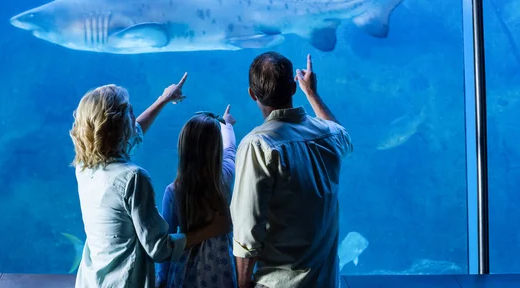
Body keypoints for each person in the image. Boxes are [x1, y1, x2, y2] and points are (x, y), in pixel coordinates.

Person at [70, 73, 230, 288]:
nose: (134, 119)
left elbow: (132, 134)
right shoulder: (132, 178)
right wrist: (212, 229)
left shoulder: (84, 165)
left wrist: (163, 99)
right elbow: (159, 249)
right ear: (118, 126)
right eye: (130, 112)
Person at [230, 52, 353, 288]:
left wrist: (242, 285)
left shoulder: (257, 145)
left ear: (252, 93)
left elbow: (247, 231)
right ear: (293, 88)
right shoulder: (327, 135)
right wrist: (312, 93)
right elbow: (342, 134)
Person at [157, 105, 238, 288]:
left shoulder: (173, 192)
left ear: (183, 149)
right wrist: (227, 125)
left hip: (186, 272)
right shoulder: (225, 177)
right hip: (222, 267)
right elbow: (231, 150)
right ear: (216, 148)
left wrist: (162, 279)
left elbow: (167, 243)